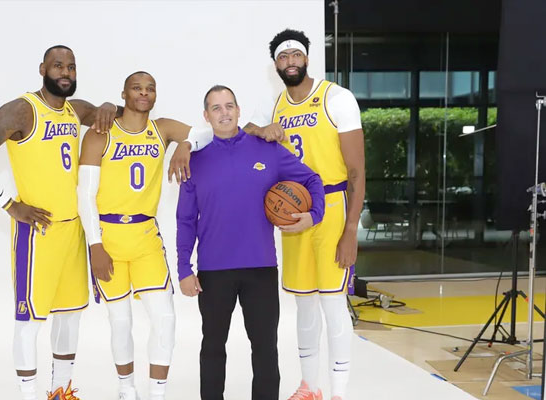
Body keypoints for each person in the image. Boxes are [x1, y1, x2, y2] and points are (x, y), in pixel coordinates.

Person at [170, 29, 365, 400]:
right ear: (275, 63)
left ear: (307, 58)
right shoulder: (272, 107)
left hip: (322, 214)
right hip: (265, 235)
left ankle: (337, 392)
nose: (289, 60)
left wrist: (346, 226)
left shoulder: (336, 98)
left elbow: (341, 173)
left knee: (330, 305)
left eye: (295, 54)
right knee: (303, 303)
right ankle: (310, 387)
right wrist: (187, 142)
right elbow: (235, 132)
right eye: (282, 56)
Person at [0, 45, 119, 400]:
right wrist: (9, 204)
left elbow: (110, 114)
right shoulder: (22, 110)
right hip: (38, 234)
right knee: (29, 321)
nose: (66, 72)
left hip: (73, 229)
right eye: (58, 65)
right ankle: (28, 395)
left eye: (72, 67)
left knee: (69, 317)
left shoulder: (74, 110)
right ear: (42, 69)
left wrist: (109, 105)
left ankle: (60, 392)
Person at [176, 85, 325, 400]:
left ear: (239, 110)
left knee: (265, 348)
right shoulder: (196, 160)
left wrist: (314, 214)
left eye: (229, 105)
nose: (224, 113)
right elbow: (185, 220)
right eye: (216, 108)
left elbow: (312, 179)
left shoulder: (265, 150)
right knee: (213, 347)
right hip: (214, 271)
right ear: (206, 116)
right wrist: (183, 269)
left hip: (260, 268)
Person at [77, 71, 209, 400]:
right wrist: (94, 245)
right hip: (108, 237)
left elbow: (208, 132)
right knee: (120, 320)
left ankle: (157, 394)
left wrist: (186, 143)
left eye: (150, 89)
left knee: (164, 316)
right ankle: (126, 390)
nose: (144, 93)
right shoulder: (100, 134)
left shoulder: (161, 128)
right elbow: (84, 196)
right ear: (124, 93)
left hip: (146, 235)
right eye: (137, 88)